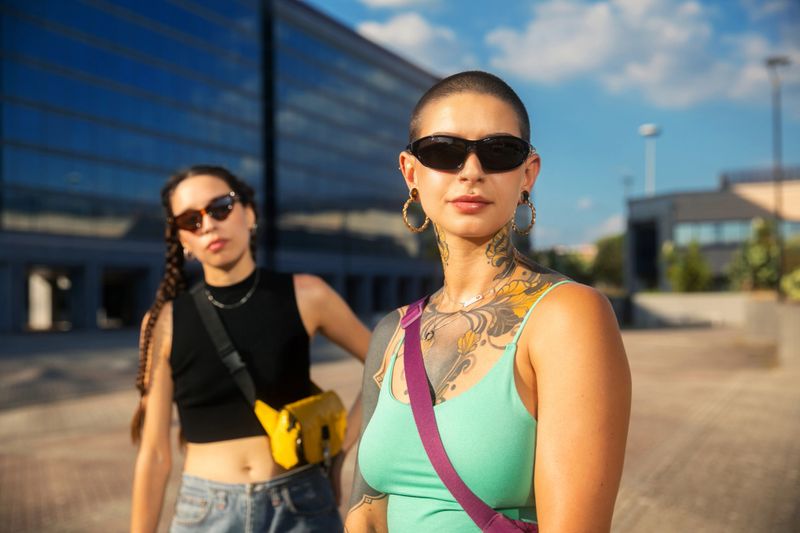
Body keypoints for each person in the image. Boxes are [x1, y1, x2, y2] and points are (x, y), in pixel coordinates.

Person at [345, 71, 631, 532]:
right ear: (410, 173)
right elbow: (367, 516)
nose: (471, 171)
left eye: (499, 152)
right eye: (444, 151)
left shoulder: (568, 317)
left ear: (527, 174)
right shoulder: (392, 331)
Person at [130, 165, 369, 532]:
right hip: (206, 512)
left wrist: (340, 450)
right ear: (182, 239)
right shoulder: (164, 321)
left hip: (302, 501)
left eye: (220, 207)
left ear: (250, 213)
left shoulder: (308, 294)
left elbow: (389, 362)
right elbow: (155, 452)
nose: (208, 224)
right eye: (191, 219)